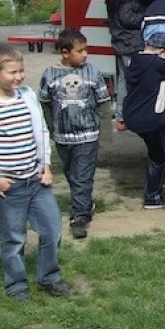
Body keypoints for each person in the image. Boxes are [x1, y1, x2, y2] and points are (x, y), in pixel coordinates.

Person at [0, 44, 71, 302]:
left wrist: (45, 166)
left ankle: (49, 276)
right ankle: (16, 285)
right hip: (9, 187)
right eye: (12, 72)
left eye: (21, 71)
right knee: (13, 238)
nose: (19, 77)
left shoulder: (27, 96)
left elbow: (42, 133)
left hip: (36, 180)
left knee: (52, 229)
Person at [38, 28, 111, 239]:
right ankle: (85, 204)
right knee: (72, 174)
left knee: (82, 176)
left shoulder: (92, 73)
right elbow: (44, 104)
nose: (85, 54)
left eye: (85, 49)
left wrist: (105, 136)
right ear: (64, 52)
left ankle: (78, 218)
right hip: (63, 137)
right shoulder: (50, 75)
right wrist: (51, 130)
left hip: (88, 135)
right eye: (80, 50)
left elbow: (103, 104)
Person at [123, 32, 165, 209]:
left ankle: (155, 192)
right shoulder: (158, 63)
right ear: (161, 50)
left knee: (158, 153)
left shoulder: (134, 61)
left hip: (133, 115)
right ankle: (152, 196)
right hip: (151, 118)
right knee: (160, 157)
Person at [107, 0, 155, 130]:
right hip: (129, 42)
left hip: (122, 41)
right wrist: (147, 16)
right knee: (130, 80)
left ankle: (122, 116)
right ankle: (126, 116)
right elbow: (128, 18)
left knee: (124, 80)